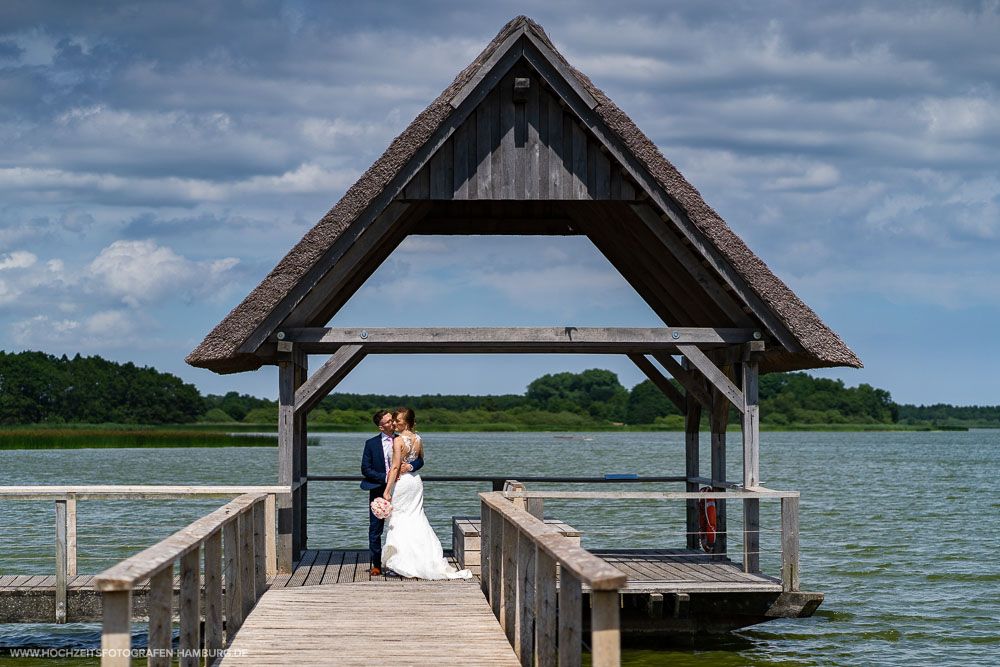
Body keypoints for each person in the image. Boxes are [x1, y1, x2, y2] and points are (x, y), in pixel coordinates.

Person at [382, 408, 472, 579]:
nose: (395, 423)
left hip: (403, 483)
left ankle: (400, 563)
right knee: (416, 517)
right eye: (394, 420)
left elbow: (395, 467)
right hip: (415, 481)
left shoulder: (398, 441)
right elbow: (421, 459)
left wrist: (387, 490)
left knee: (399, 519)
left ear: (406, 423)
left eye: (398, 421)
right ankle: (419, 558)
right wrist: (411, 467)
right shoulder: (418, 439)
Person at [361, 409, 423, 576]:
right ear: (381, 427)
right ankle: (376, 564)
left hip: (402, 490)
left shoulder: (403, 438)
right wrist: (386, 477)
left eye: (394, 420)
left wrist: (410, 467)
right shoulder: (371, 444)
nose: (393, 423)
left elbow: (419, 460)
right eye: (389, 421)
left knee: (399, 525)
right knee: (375, 528)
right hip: (379, 489)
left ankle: (402, 562)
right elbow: (365, 469)